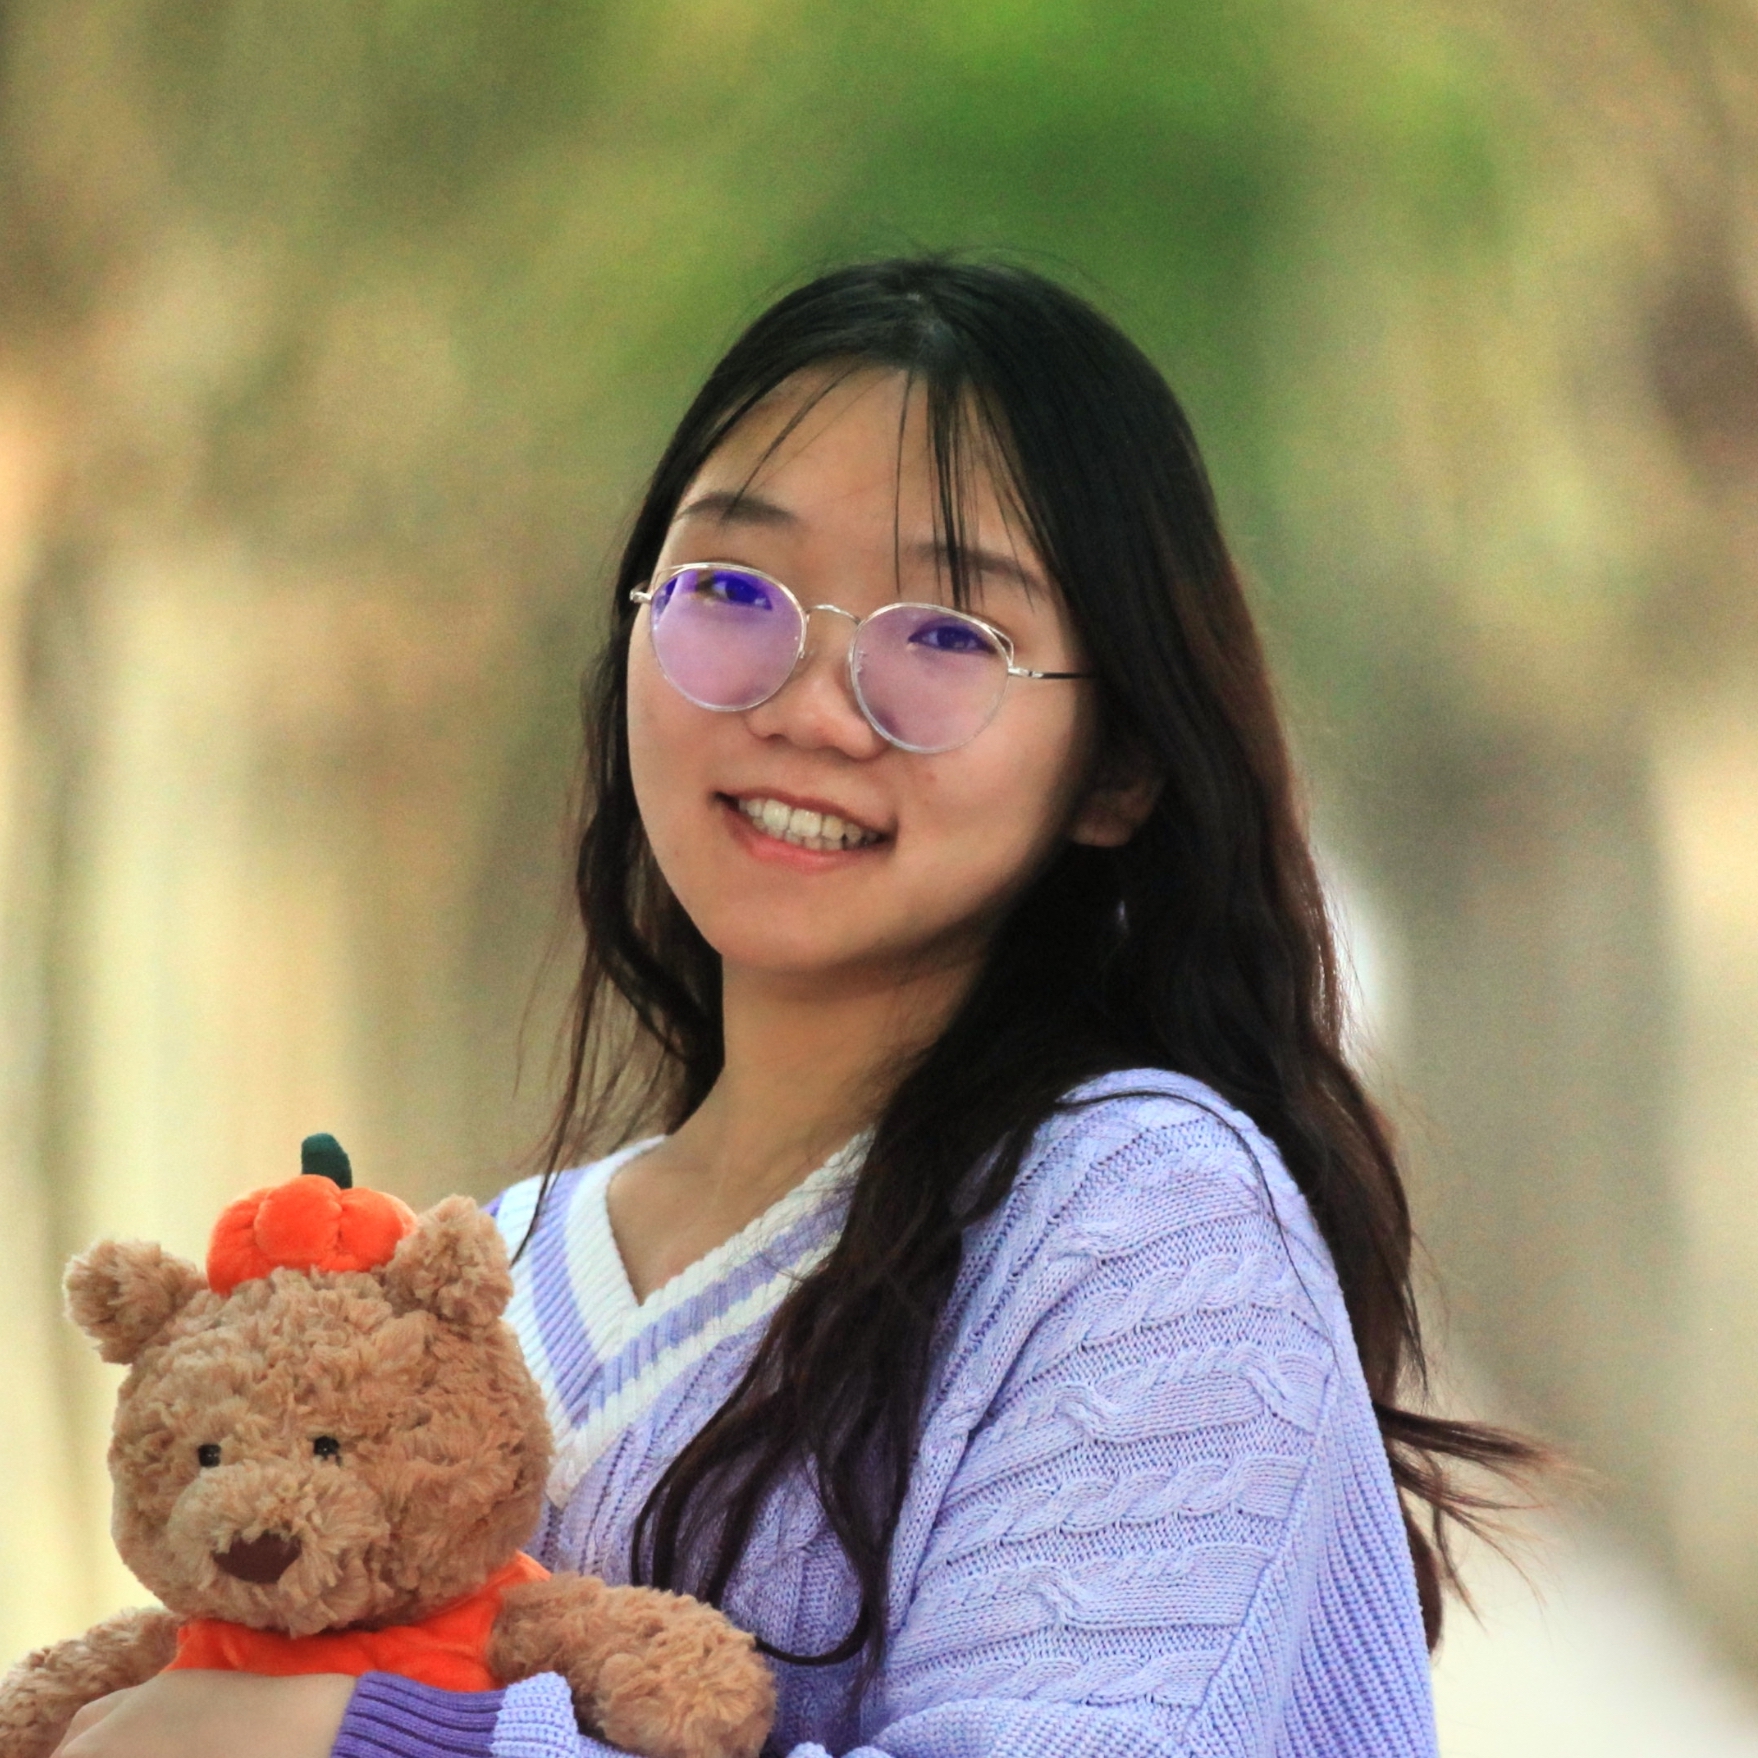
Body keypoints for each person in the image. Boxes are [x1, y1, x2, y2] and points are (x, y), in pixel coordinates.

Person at [54, 258, 1534, 1758]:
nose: (809, 701)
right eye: (731, 591)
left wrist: (350, 1741)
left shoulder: (1142, 1223)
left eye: (948, 636)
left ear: (1117, 767)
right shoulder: (495, 1263)